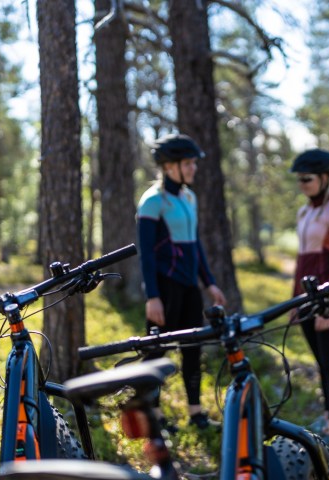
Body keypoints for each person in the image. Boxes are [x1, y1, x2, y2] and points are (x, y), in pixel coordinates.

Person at [136, 133, 226, 431]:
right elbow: (146, 255)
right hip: (164, 287)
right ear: (169, 166)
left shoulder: (189, 197)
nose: (193, 168)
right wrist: (152, 296)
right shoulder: (152, 201)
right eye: (188, 163)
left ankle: (196, 412)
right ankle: (152, 415)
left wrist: (209, 283)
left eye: (193, 163)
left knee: (192, 347)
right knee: (156, 350)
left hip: (189, 287)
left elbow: (195, 244)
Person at [290, 148, 329, 446]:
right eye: (299, 179)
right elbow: (302, 262)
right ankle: (328, 417)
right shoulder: (305, 211)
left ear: (326, 178)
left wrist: (328, 308)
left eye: (308, 178)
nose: (302, 184)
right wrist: (294, 301)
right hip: (305, 299)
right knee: (320, 362)